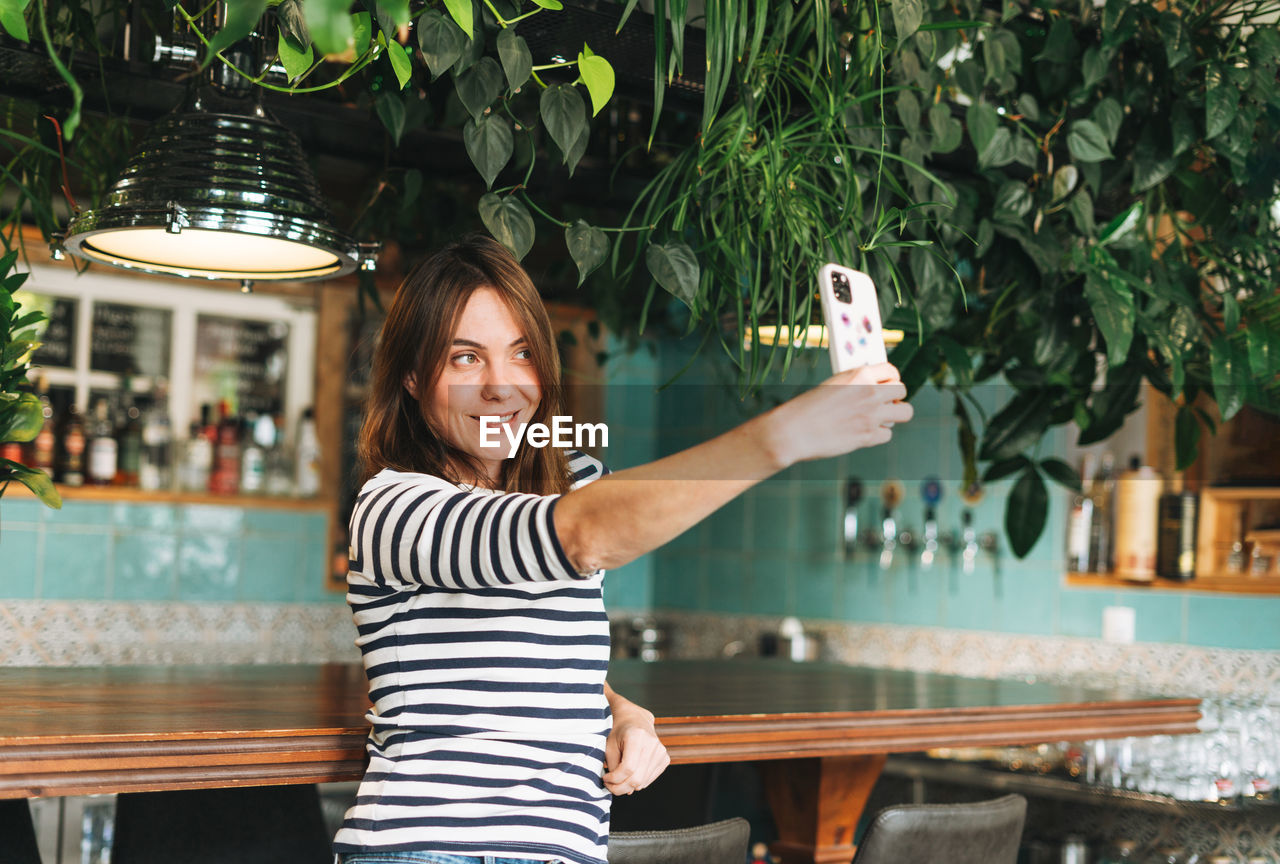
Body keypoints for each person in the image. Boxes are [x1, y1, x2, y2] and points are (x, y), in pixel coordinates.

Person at [333, 235, 912, 864]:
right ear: (415, 378)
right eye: (466, 358)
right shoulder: (394, 506)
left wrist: (618, 708)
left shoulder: (580, 482)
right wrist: (788, 434)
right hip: (430, 849)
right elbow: (576, 537)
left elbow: (525, 654)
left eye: (521, 353)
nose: (501, 386)